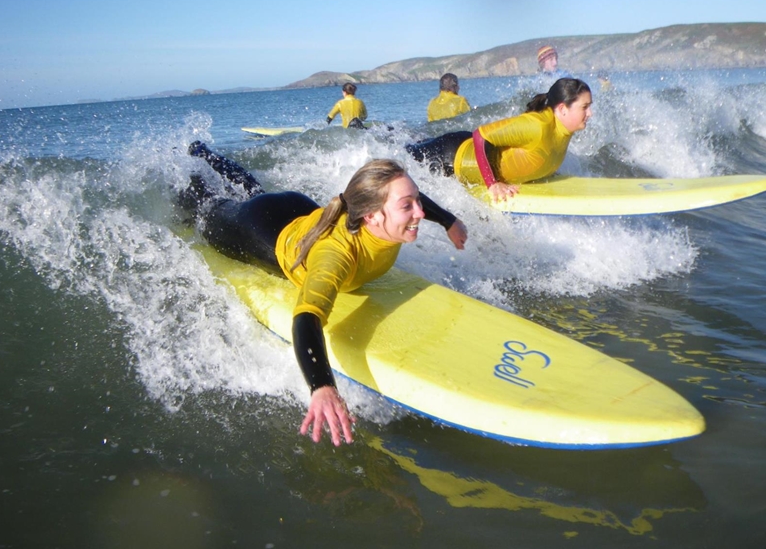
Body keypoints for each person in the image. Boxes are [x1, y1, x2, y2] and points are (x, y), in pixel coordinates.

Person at [183, 141, 468, 446]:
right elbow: (306, 317)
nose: (420, 213)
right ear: (371, 216)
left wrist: (449, 221)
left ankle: (203, 153)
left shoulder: (381, 209)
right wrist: (321, 385)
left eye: (416, 202)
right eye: (407, 206)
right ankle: (186, 167)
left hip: (300, 209)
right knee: (205, 208)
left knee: (253, 190)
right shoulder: (336, 255)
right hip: (260, 227)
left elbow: (407, 195)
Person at [405, 77, 593, 202]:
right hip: (450, 156)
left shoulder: (563, 130)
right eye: (585, 107)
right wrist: (492, 183)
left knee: (416, 144)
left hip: (460, 150)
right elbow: (480, 135)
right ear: (562, 109)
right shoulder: (537, 126)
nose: (590, 113)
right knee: (404, 154)